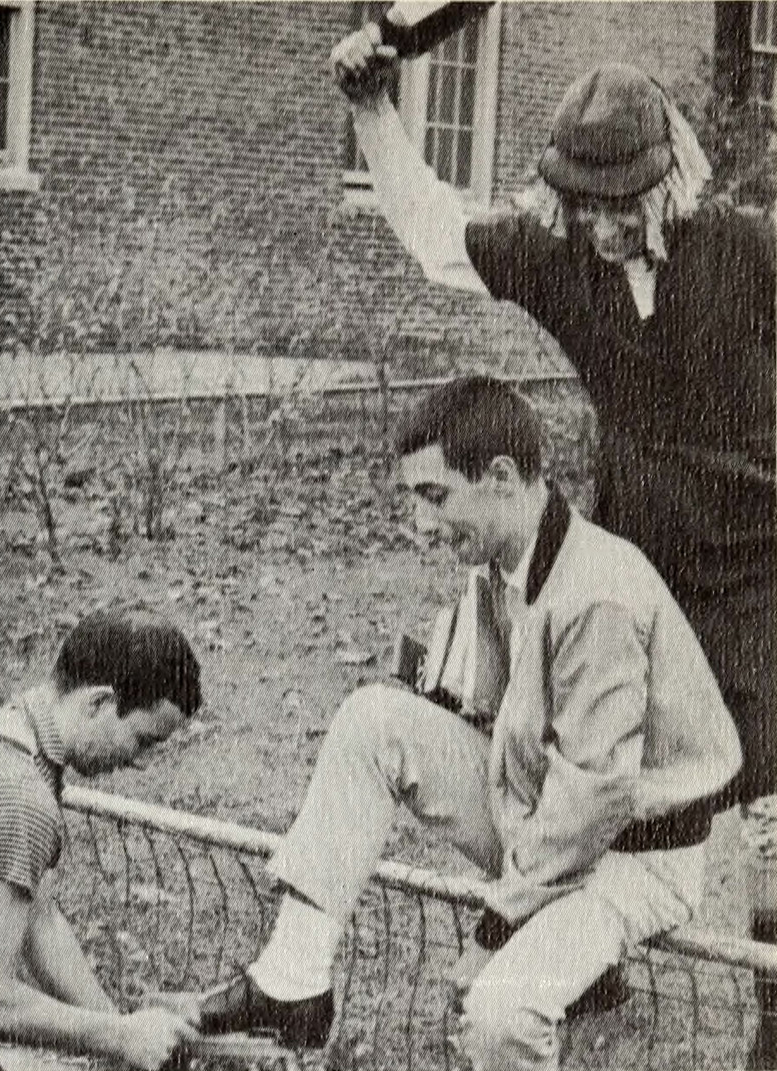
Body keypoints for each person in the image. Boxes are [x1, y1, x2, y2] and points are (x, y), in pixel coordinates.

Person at [330, 35, 776, 1067]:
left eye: (625, 205)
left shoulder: (750, 254)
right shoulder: (557, 257)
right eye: (586, 205)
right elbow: (436, 237)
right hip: (646, 575)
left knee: (772, 806)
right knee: (581, 766)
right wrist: (373, 112)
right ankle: (580, 959)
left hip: (766, 574)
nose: (606, 226)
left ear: (670, 181)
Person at [205, 376, 741, 1069]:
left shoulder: (596, 592)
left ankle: (563, 952)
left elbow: (594, 798)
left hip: (633, 854)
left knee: (497, 1015)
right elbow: (497, 717)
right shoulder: (505, 559)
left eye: (435, 497)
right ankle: (292, 984)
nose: (421, 524)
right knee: (373, 719)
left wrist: (497, 928)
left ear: (502, 477)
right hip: (543, 814)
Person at [0, 611, 204, 1071]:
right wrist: (118, 1037)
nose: (139, 761)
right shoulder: (20, 796)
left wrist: (124, 1029)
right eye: (142, 740)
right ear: (100, 702)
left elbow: (40, 920)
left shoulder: (7, 736)